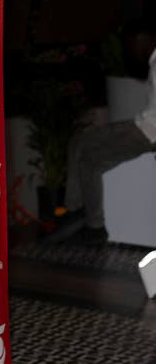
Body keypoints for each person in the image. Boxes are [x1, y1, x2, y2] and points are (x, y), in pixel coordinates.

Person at [64, 20, 156, 243]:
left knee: (89, 157)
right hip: (143, 125)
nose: (129, 52)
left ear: (143, 41)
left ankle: (90, 223)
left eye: (130, 45)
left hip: (147, 133)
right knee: (82, 142)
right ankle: (75, 210)